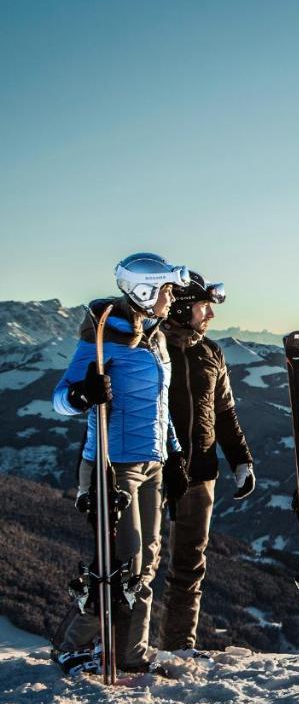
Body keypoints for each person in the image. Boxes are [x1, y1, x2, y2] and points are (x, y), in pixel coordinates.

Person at [51, 252, 191, 674]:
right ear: (146, 291)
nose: (172, 299)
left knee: (147, 560)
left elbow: (159, 404)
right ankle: (73, 644)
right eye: (167, 290)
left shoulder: (156, 336)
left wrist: (175, 451)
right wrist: (82, 395)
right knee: (120, 561)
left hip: (152, 462)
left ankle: (133, 652)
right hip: (113, 464)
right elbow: (60, 397)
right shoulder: (102, 335)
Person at [157, 271, 255, 653]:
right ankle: (127, 651)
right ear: (181, 308)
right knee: (138, 567)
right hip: (153, 473)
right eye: (203, 307)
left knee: (188, 568)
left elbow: (225, 411)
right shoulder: (150, 347)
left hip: (200, 474)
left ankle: (177, 650)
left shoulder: (211, 352)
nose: (209, 315)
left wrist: (240, 460)